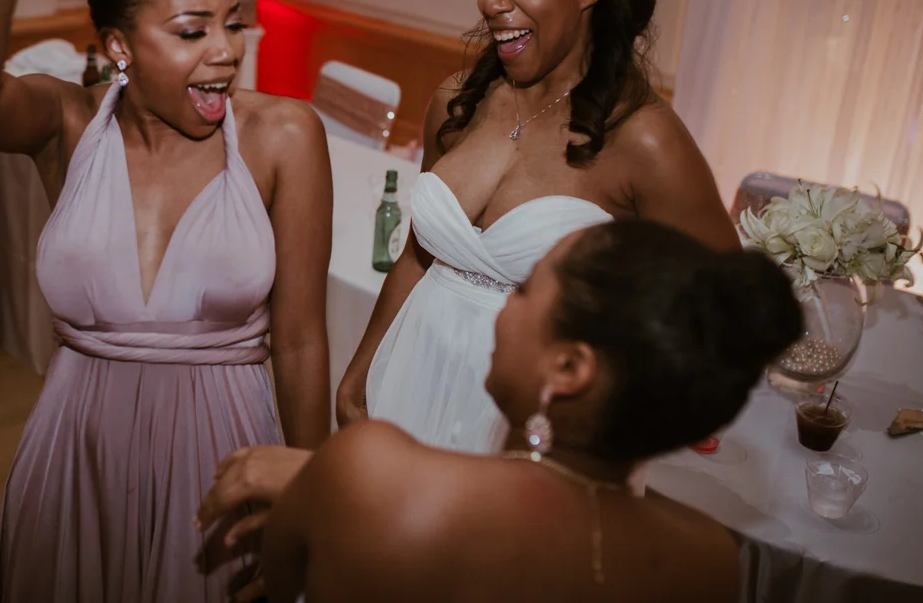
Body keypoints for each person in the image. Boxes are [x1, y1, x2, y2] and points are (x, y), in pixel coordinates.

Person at [0, 0, 332, 601]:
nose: (226, 51)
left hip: (222, 454)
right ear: (119, 47)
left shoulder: (284, 136)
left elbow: (304, 340)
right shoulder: (68, 120)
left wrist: (310, 509)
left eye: (232, 22)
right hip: (77, 446)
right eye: (191, 32)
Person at [336, 0, 740, 456]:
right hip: (411, 373)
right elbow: (417, 256)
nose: (494, 2)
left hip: (538, 421)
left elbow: (728, 302)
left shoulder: (643, 139)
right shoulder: (456, 103)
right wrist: (361, 369)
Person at [200, 220, 802, 602]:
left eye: (521, 288)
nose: (501, 309)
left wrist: (318, 483)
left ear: (568, 369)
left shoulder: (368, 471)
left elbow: (280, 585)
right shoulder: (707, 560)